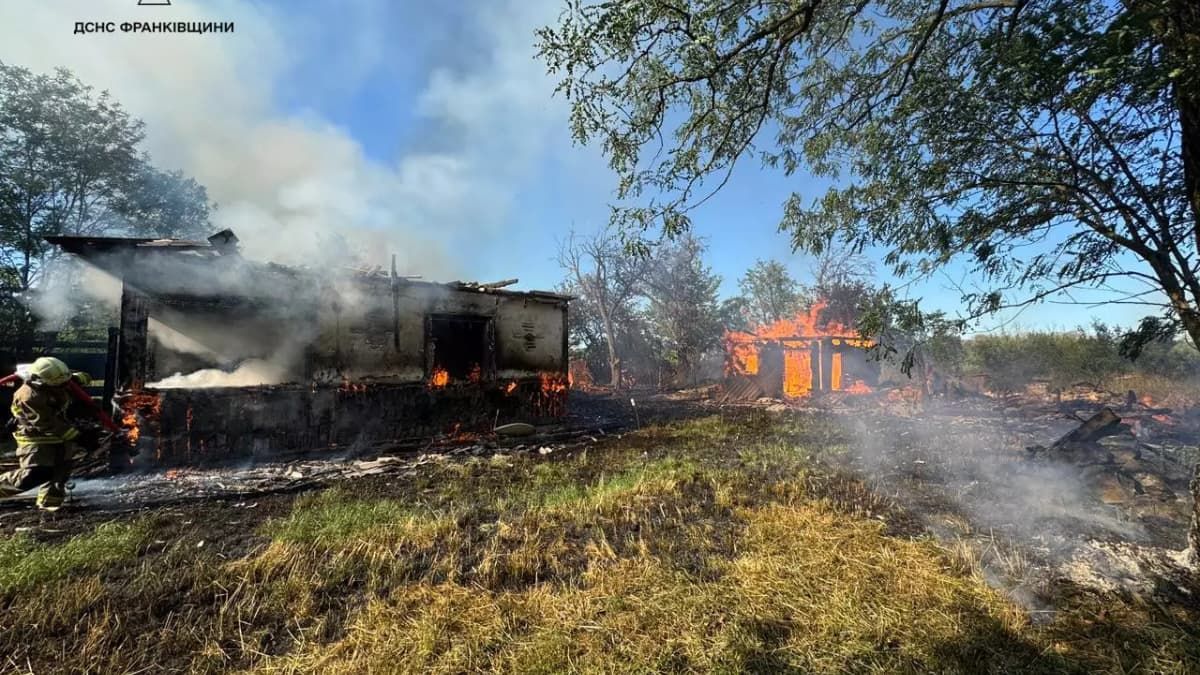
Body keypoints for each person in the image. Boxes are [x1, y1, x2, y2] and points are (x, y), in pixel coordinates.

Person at [0, 357, 89, 511]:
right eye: (59, 384)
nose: (64, 386)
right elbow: (45, 423)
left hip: (60, 434)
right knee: (35, 474)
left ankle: (49, 505)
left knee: (60, 470)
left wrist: (77, 378)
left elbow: (68, 378)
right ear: (39, 381)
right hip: (36, 437)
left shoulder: (55, 380)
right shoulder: (29, 396)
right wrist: (78, 436)